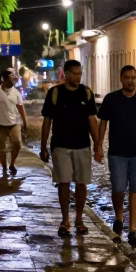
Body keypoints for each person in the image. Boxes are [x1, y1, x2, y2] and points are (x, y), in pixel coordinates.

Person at [97, 65, 136, 244]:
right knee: (118, 189)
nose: (131, 81)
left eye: (134, 77)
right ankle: (119, 216)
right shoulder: (111, 99)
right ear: (121, 79)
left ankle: (133, 229)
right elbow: (103, 123)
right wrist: (98, 146)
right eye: (127, 77)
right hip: (117, 152)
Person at [39, 59, 103, 237]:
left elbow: (92, 120)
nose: (78, 76)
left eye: (80, 73)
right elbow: (47, 121)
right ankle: (65, 219)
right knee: (64, 183)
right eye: (74, 73)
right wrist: (43, 146)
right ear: (65, 74)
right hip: (60, 145)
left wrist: (98, 145)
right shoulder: (55, 93)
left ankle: (80, 219)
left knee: (82, 183)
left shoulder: (86, 93)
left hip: (82, 145)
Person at [0, 68, 28, 176]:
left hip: (14, 123)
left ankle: (12, 163)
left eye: (13, 80)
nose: (13, 82)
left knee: (17, 143)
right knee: (1, 149)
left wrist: (25, 122)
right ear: (4, 81)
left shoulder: (16, 93)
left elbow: (21, 108)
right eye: (10, 80)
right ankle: (4, 167)